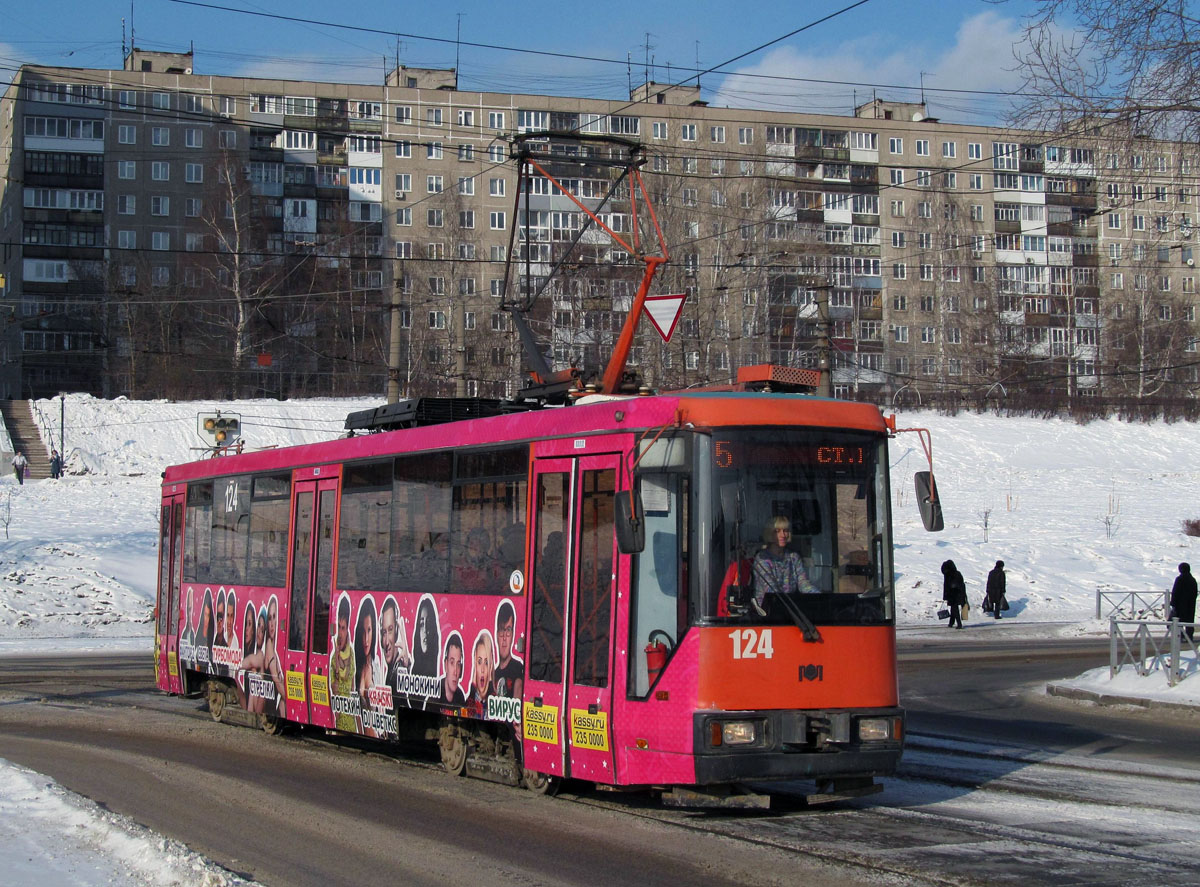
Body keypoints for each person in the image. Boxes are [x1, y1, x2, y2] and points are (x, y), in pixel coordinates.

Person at [752, 516, 818, 609]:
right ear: (769, 534)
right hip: (766, 612)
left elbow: (803, 584)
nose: (783, 535)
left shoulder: (793, 557)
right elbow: (770, 589)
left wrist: (819, 596)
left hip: (790, 610)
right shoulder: (762, 559)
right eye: (777, 531)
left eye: (785, 530)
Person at [329, 596, 358, 731]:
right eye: (339, 627)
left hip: (351, 718)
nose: (340, 633)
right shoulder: (334, 656)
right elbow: (334, 689)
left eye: (343, 628)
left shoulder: (352, 654)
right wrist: (336, 655)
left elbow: (353, 690)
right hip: (339, 719)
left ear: (348, 630)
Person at [492, 600, 523, 699]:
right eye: (502, 629)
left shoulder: (518, 668)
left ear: (513, 634)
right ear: (497, 635)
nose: (504, 637)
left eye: (508, 630)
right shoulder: (493, 674)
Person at [380, 597, 411, 690]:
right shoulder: (391, 671)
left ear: (397, 632)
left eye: (390, 630)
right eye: (384, 632)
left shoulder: (399, 671)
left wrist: (407, 667)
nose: (386, 642)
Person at [1170, 562, 1198, 641]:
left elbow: (1175, 592)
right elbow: (1195, 593)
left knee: (1179, 621)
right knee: (1189, 621)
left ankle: (1180, 636)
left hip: (1180, 605)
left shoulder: (1179, 579)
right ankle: (1189, 637)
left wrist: (1173, 603)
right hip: (1190, 605)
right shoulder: (1193, 580)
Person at [468, 631, 494, 709]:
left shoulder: (494, 700)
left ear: (490, 666)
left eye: (486, 663)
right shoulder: (470, 698)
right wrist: (473, 686)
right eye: (479, 662)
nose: (482, 669)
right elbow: (469, 713)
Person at [438, 632, 466, 706]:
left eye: (458, 664)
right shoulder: (435, 693)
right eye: (452, 663)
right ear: (446, 665)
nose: (455, 672)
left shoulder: (461, 697)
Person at [942, 559, 967, 629]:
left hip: (953, 594)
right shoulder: (957, 573)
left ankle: (959, 624)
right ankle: (951, 623)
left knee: (954, 609)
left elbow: (947, 586)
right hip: (958, 593)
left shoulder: (948, 575)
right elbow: (961, 584)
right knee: (954, 609)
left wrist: (946, 595)